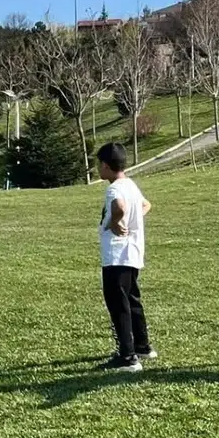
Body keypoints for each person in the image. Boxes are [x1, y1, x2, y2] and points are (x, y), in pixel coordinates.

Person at [96, 142, 156, 373]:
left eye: (98, 165)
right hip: (133, 253)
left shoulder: (114, 189)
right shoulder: (130, 184)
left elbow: (119, 207)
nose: (97, 169)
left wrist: (115, 221)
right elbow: (146, 205)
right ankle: (143, 346)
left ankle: (128, 357)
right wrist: (134, 218)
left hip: (117, 255)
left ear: (106, 166)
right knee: (132, 299)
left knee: (118, 304)